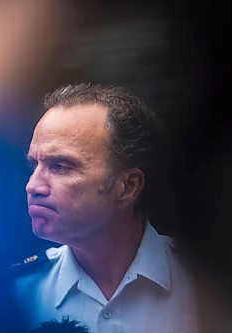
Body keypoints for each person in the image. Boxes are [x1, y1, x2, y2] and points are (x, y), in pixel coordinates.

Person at [13, 83, 198, 333]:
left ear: (128, 186)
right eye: (34, 165)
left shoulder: (205, 286)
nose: (32, 186)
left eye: (60, 166)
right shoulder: (19, 291)